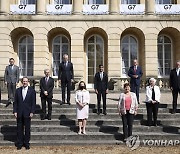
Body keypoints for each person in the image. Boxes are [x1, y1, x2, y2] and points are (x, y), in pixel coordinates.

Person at [13, 77, 36, 150]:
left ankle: (26, 143)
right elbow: (15, 102)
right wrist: (15, 111)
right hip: (19, 112)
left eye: (26, 81)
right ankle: (20, 143)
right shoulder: (18, 91)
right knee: (19, 129)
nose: (25, 82)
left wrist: (32, 111)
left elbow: (33, 103)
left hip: (28, 112)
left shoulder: (32, 91)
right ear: (22, 82)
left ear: (28, 82)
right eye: (24, 81)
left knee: (27, 129)